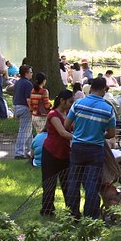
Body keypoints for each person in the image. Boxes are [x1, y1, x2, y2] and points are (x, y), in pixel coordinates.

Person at [65, 77, 118, 219]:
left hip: (77, 147)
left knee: (73, 182)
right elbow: (112, 133)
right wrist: (100, 133)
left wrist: (79, 129)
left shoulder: (78, 103)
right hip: (95, 149)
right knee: (91, 184)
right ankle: (90, 217)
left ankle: (72, 214)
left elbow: (66, 125)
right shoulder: (108, 108)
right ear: (103, 89)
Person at [41, 89, 74, 217]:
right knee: (49, 183)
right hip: (51, 152)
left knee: (67, 183)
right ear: (62, 101)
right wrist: (80, 139)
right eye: (70, 102)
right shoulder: (53, 114)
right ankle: (47, 210)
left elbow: (74, 128)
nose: (72, 104)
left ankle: (70, 210)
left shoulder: (69, 114)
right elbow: (62, 132)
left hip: (65, 153)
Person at [12, 65, 34, 159]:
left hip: (17, 106)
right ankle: (19, 152)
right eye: (30, 72)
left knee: (28, 130)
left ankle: (31, 151)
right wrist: (32, 109)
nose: (32, 74)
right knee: (24, 131)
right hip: (25, 108)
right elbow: (28, 99)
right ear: (26, 73)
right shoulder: (28, 84)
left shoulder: (18, 82)